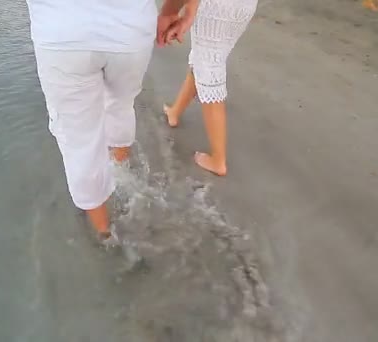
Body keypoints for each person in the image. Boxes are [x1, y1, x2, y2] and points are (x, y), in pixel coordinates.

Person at [25, 0, 197, 244]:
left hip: (62, 35)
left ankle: (105, 234)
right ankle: (121, 168)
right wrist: (173, 11)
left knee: (80, 140)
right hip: (131, 31)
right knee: (121, 102)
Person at [163, 0, 258, 176]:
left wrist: (170, 12)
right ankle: (174, 112)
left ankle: (218, 160)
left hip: (216, 7)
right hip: (244, 6)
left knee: (209, 68)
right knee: (206, 60)